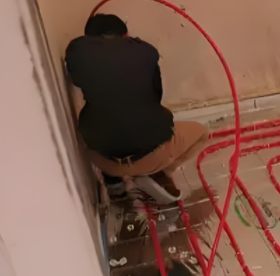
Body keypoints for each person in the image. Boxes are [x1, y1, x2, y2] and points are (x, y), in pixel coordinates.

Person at [65, 14, 208, 197]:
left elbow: (76, 80)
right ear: (124, 35)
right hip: (152, 157)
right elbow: (156, 95)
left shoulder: (77, 50)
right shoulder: (146, 52)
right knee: (202, 133)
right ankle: (162, 172)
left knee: (99, 126)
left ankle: (114, 182)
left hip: (100, 159)